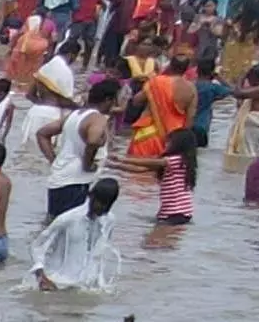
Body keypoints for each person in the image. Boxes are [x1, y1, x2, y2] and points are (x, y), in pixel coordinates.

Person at [36, 79, 117, 220]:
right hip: (76, 182)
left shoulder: (75, 115)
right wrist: (87, 164)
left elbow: (42, 133)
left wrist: (53, 160)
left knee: (54, 225)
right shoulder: (98, 118)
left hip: (59, 178)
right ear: (108, 99)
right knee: (72, 227)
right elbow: (93, 141)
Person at [30, 178, 121, 291]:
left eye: (107, 205)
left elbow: (100, 252)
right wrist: (41, 276)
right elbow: (38, 245)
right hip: (58, 283)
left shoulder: (109, 220)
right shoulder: (68, 219)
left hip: (86, 286)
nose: (102, 207)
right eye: (100, 202)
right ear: (90, 195)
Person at [110, 127, 198, 226]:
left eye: (169, 142)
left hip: (177, 212)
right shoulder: (175, 163)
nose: (165, 144)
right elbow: (139, 170)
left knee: (158, 239)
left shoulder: (176, 160)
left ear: (178, 145)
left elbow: (148, 163)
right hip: (172, 212)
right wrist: (114, 166)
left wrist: (123, 159)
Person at [127, 56, 196, 157]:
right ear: (187, 68)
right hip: (173, 139)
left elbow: (136, 101)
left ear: (170, 65)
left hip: (148, 134)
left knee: (135, 168)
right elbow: (191, 117)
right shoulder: (191, 88)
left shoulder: (156, 82)